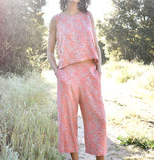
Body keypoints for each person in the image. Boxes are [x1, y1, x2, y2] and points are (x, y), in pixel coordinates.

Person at [47, 0, 107, 159]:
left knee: (98, 119)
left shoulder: (88, 16)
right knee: (68, 122)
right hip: (67, 75)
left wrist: (98, 70)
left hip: (89, 73)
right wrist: (58, 73)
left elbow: (96, 45)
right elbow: (50, 52)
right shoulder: (56, 20)